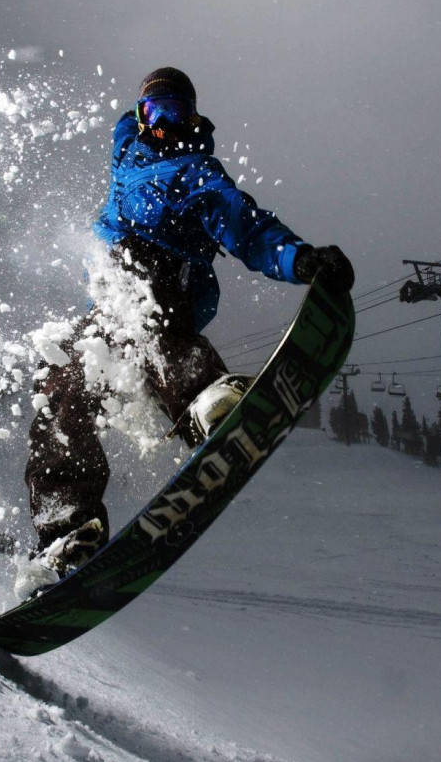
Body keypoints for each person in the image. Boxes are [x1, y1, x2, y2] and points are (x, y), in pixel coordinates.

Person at [18, 67, 354, 596]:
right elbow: (124, 127)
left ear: (193, 119)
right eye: (157, 114)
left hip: (164, 291)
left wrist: (301, 258)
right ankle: (68, 529)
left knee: (146, 311)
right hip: (106, 310)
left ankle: (204, 397)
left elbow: (249, 228)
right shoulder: (126, 149)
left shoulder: (197, 172)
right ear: (140, 118)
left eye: (179, 114)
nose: (167, 125)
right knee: (59, 383)